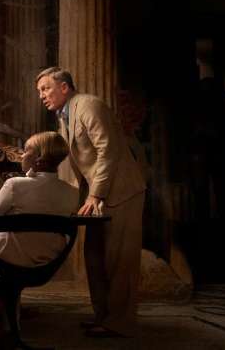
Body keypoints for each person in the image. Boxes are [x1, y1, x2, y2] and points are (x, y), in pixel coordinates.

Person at [35, 67, 146, 338]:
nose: (42, 95)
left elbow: (108, 151)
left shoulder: (88, 105)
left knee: (119, 260)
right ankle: (103, 316)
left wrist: (96, 194)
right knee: (94, 256)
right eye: (39, 91)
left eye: (45, 88)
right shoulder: (64, 115)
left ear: (64, 87)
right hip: (97, 195)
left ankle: (120, 322)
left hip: (121, 192)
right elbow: (77, 160)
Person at [0, 132, 78, 344]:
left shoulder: (15, 184)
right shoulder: (71, 192)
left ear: (39, 159)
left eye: (27, 150)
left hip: (10, 261)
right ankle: (10, 329)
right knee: (15, 258)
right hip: (46, 263)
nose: (22, 154)